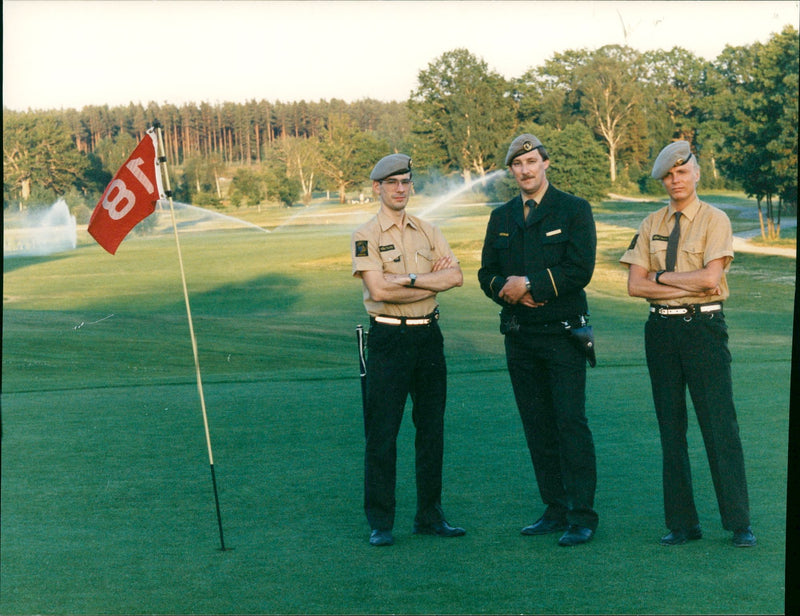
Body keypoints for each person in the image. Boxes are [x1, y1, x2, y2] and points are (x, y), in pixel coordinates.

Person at [619, 140, 756, 548]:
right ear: (663, 180)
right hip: (660, 332)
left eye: (682, 172)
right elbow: (632, 285)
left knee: (719, 426)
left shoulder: (715, 220)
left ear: (696, 173)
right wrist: (677, 280)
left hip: (703, 330)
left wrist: (659, 279)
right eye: (668, 175)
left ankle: (738, 523)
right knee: (670, 427)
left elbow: (709, 280)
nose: (675, 180)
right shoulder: (650, 224)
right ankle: (683, 523)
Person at [478, 133, 599, 547]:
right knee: (538, 427)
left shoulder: (574, 209)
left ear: (546, 163)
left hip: (564, 336)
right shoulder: (502, 216)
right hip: (521, 338)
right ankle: (555, 509)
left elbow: (580, 269)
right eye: (518, 164)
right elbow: (486, 274)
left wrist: (530, 284)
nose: (526, 170)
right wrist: (506, 289)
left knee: (570, 424)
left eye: (532, 161)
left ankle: (582, 516)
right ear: (511, 171)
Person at [351, 153, 466, 547]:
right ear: (377, 188)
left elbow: (456, 277)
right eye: (392, 183)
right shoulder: (366, 234)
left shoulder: (429, 229)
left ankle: (430, 517)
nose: (400, 189)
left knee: (431, 431)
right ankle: (381, 522)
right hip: (389, 338)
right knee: (382, 434)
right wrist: (431, 279)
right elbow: (378, 290)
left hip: (428, 338)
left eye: (406, 182)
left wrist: (409, 276)